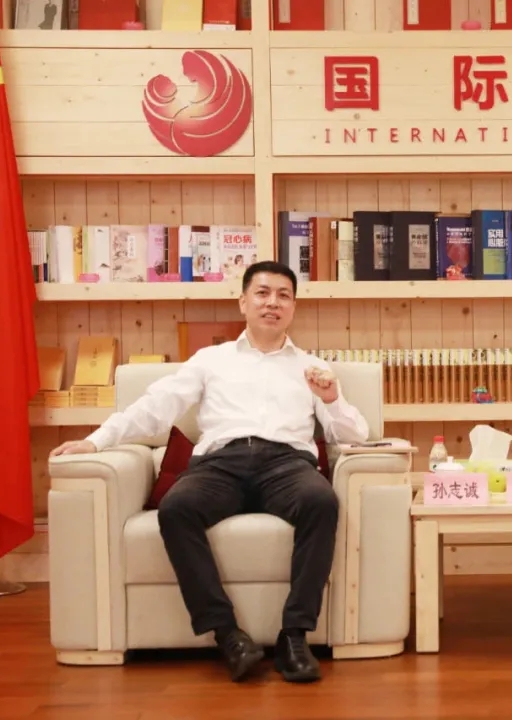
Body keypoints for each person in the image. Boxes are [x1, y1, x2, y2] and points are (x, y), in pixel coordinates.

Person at [50, 261, 369, 684]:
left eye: (284, 295)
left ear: (293, 307)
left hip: (286, 464)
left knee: (321, 501)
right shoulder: (211, 360)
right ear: (243, 302)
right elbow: (156, 406)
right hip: (222, 464)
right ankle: (227, 635)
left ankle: (294, 636)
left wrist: (331, 399)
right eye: (262, 293)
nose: (273, 303)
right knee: (176, 507)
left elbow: (355, 435)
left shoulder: (311, 367)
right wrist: (96, 441)